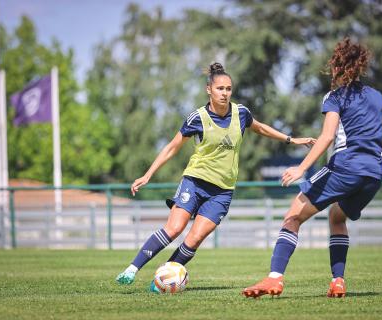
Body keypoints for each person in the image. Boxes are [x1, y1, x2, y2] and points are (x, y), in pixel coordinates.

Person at [115, 62, 316, 290]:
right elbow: (172, 147)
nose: (225, 93)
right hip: (194, 181)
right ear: (209, 90)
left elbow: (260, 128)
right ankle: (132, 269)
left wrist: (291, 139)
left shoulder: (241, 113)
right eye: (220, 88)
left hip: (222, 192)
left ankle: (164, 280)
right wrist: (147, 175)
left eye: (229, 89)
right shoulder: (198, 118)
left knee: (194, 239)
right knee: (174, 228)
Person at [242, 38, 382, 298]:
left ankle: (274, 279)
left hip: (346, 167)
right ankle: (338, 281)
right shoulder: (378, 97)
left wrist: (301, 167)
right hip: (374, 174)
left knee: (292, 216)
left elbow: (327, 137)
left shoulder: (335, 97)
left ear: (338, 67)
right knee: (337, 217)